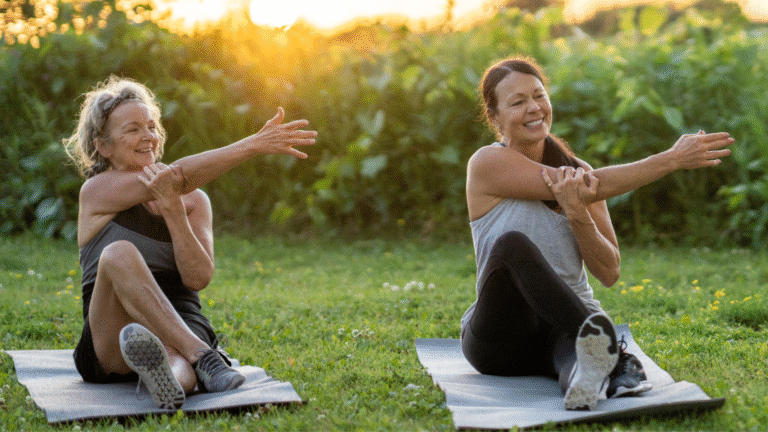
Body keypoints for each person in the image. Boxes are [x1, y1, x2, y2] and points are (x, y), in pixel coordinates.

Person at [461, 57, 733, 410]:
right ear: (494, 116)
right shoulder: (487, 163)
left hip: (566, 328)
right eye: (517, 102)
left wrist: (578, 214)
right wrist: (670, 159)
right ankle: (616, 359)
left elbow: (608, 272)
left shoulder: (582, 175)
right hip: (499, 337)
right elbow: (589, 185)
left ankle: (591, 375)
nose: (534, 108)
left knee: (580, 357)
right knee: (512, 245)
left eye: (539, 96)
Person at [63, 76, 317, 410]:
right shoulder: (96, 192)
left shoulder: (195, 202)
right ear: (103, 145)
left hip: (180, 320)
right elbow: (175, 178)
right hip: (111, 330)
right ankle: (203, 356)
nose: (148, 136)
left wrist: (174, 213)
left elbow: (197, 279)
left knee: (173, 359)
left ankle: (173, 380)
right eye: (132, 129)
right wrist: (251, 144)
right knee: (118, 253)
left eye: (151, 126)